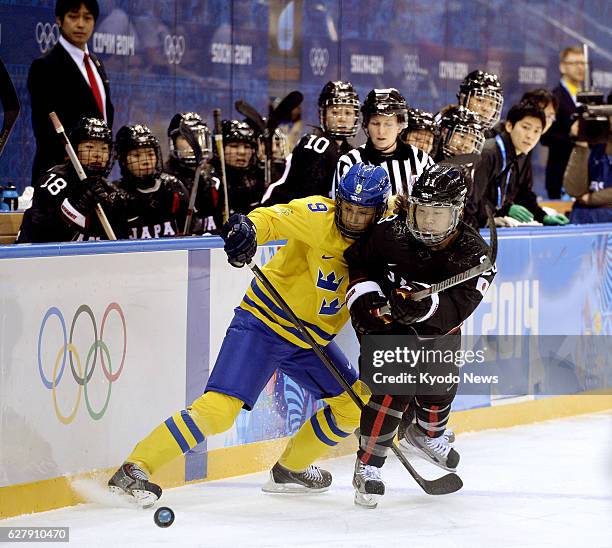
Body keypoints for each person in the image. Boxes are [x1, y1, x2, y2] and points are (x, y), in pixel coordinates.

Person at [107, 163, 391, 506]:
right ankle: (134, 467)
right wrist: (246, 229)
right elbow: (271, 219)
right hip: (265, 323)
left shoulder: (386, 233)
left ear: (379, 210)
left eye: (363, 212)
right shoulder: (317, 215)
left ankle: (290, 469)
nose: (353, 219)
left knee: (353, 406)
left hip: (310, 340)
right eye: (347, 208)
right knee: (218, 412)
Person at [344, 164, 496, 508]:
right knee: (393, 387)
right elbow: (358, 261)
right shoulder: (390, 232)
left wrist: (425, 307)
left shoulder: (475, 255)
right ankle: (368, 466)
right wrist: (366, 295)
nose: (426, 221)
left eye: (437, 215)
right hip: (387, 329)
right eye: (421, 211)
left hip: (438, 334)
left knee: (440, 390)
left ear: (456, 214)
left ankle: (426, 435)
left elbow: (457, 309)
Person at [28, 0, 114, 184]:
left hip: (96, 173)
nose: (81, 24)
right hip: (60, 177)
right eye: (73, 17)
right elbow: (44, 128)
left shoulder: (96, 64)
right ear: (59, 19)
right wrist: (72, 159)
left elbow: (106, 116)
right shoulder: (45, 66)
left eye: (87, 18)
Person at [17, 117, 126, 243]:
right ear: (73, 149)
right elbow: (41, 235)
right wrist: (75, 210)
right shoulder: (53, 182)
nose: (98, 154)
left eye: (104, 148)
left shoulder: (108, 190)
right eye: (90, 147)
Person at [468, 101, 569, 229]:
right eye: (525, 127)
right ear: (509, 126)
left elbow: (522, 194)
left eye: (536, 131)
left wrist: (542, 216)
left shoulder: (520, 154)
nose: (530, 136)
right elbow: (470, 200)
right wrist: (486, 221)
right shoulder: (488, 153)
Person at [261, 80, 360, 206]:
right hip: (293, 216)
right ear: (323, 115)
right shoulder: (313, 144)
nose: (342, 118)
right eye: (335, 112)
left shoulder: (353, 152)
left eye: (348, 112)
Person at [333, 88, 433, 196]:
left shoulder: (421, 160)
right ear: (366, 125)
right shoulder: (349, 162)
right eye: (375, 123)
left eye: (388, 124)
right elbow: (341, 209)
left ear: (399, 126)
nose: (381, 131)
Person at [112, 124, 189, 239]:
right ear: (123, 159)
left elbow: (190, 231)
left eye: (150, 154)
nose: (146, 161)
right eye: (136, 155)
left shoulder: (173, 188)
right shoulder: (114, 195)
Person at [540, 46, 587, 199]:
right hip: (560, 173)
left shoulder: (590, 98)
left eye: (583, 63)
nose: (580, 67)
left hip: (588, 173)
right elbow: (544, 136)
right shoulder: (553, 98)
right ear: (562, 67)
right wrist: (572, 134)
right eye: (575, 63)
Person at [164, 112, 219, 234]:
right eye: (185, 137)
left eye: (198, 136)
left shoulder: (213, 179)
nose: (194, 142)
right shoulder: (165, 182)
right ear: (173, 142)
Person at [563, 117, 612, 223]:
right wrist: (581, 143)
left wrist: (592, 198)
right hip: (582, 219)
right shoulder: (593, 144)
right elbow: (574, 190)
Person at [212, 119, 263, 218]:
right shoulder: (210, 182)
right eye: (234, 146)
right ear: (218, 149)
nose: (242, 152)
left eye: (247, 147)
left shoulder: (259, 179)